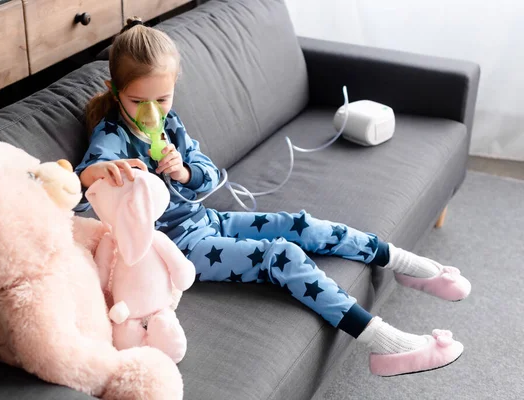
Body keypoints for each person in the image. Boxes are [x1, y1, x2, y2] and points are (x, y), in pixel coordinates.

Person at [75, 18, 471, 376]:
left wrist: (184, 170)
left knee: (299, 225)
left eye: (161, 100)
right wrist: (98, 172)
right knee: (281, 255)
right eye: (137, 102)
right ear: (115, 91)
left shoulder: (170, 126)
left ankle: (401, 262)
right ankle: (382, 342)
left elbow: (211, 175)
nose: (152, 113)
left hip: (206, 218)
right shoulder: (112, 135)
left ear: (174, 86)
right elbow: (82, 183)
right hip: (175, 247)